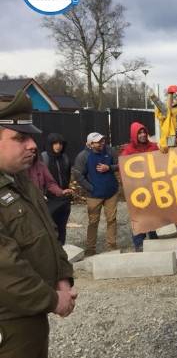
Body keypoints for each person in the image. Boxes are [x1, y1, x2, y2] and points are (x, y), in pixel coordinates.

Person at [0, 90, 77, 358]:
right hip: (8, 322)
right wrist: (54, 300)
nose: (33, 145)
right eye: (20, 138)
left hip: (29, 316)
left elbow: (48, 233)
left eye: (31, 137)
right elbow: (5, 269)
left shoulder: (20, 180)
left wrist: (62, 279)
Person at [73, 132, 119, 256]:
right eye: (98, 142)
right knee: (93, 222)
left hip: (111, 192)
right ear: (90, 144)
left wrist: (109, 168)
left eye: (103, 140)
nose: (102, 143)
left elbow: (119, 165)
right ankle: (91, 249)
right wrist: (90, 188)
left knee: (112, 219)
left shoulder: (110, 151)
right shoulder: (83, 156)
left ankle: (112, 246)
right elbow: (78, 174)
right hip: (94, 195)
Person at [120, 122, 159, 251]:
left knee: (153, 214)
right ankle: (139, 243)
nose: (142, 135)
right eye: (139, 133)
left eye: (144, 132)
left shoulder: (153, 147)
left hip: (152, 187)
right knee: (139, 216)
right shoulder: (128, 151)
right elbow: (124, 169)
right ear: (134, 135)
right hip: (137, 190)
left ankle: (154, 239)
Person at [28, 154, 74, 244]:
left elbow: (50, 183)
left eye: (34, 151)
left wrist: (61, 192)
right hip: (27, 205)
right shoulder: (16, 169)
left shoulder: (40, 165)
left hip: (41, 203)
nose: (31, 154)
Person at [41, 133, 74, 245]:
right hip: (49, 198)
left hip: (63, 197)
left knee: (62, 226)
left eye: (60, 143)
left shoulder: (65, 157)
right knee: (50, 226)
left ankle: (62, 249)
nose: (58, 146)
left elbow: (68, 175)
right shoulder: (43, 158)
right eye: (55, 143)